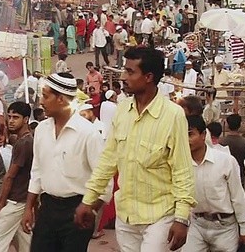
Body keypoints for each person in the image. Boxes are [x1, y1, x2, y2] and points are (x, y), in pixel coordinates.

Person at [76, 47, 196, 252]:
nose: (123, 77)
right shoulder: (122, 110)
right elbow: (107, 161)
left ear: (148, 77)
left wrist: (181, 218)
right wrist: (88, 200)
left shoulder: (173, 115)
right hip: (127, 216)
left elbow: (183, 170)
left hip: (160, 216)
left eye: (130, 72)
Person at [21, 73, 112, 251]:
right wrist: (29, 208)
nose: (41, 101)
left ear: (61, 99)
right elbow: (37, 171)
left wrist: (91, 210)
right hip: (47, 209)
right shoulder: (41, 130)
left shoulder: (88, 133)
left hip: (77, 210)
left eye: (46, 96)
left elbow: (105, 180)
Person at [183, 115, 245, 252]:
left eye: (190, 134)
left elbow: (238, 197)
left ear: (203, 134)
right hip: (196, 224)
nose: (186, 140)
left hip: (225, 227)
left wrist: (244, 230)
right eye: (182, 135)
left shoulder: (225, 161)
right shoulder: (181, 164)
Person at [0, 102, 33, 252]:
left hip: (16, 200)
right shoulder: (26, 140)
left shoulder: (23, 143)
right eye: (10, 117)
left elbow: (9, 177)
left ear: (26, 119)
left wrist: (0, 203)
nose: (11, 121)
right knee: (25, 242)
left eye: (16, 117)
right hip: (23, 198)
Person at [220, 114, 245, 192]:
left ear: (227, 125)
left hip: (224, 177)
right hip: (240, 176)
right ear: (239, 125)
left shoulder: (221, 142)